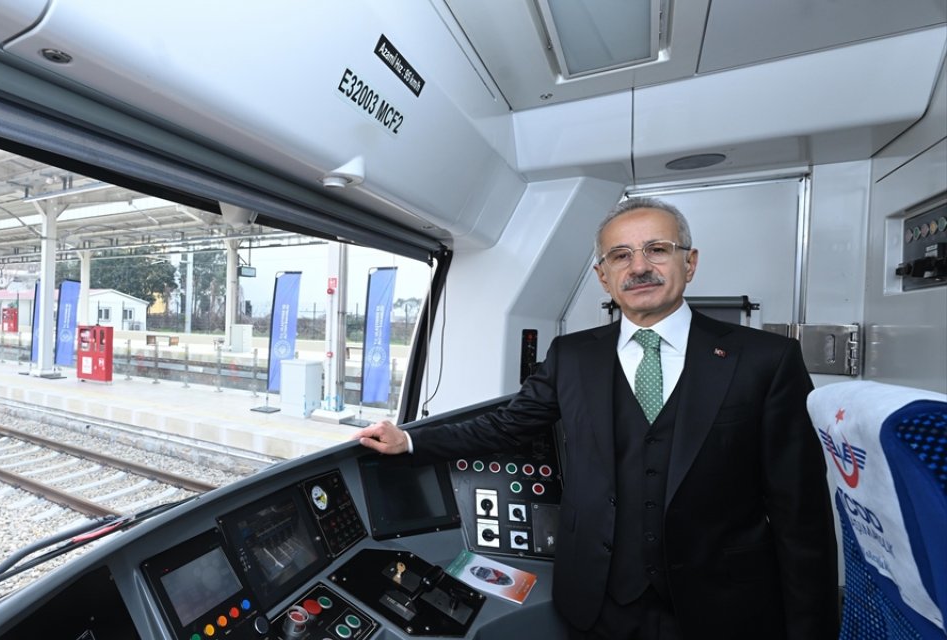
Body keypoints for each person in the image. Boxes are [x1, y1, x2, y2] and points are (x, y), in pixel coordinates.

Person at [353, 197, 838, 640]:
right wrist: (410, 442)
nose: (639, 267)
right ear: (603, 276)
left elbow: (802, 515)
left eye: (657, 249)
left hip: (724, 604)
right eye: (621, 256)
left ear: (689, 263)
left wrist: (810, 630)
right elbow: (506, 425)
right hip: (600, 603)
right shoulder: (571, 356)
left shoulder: (766, 359)